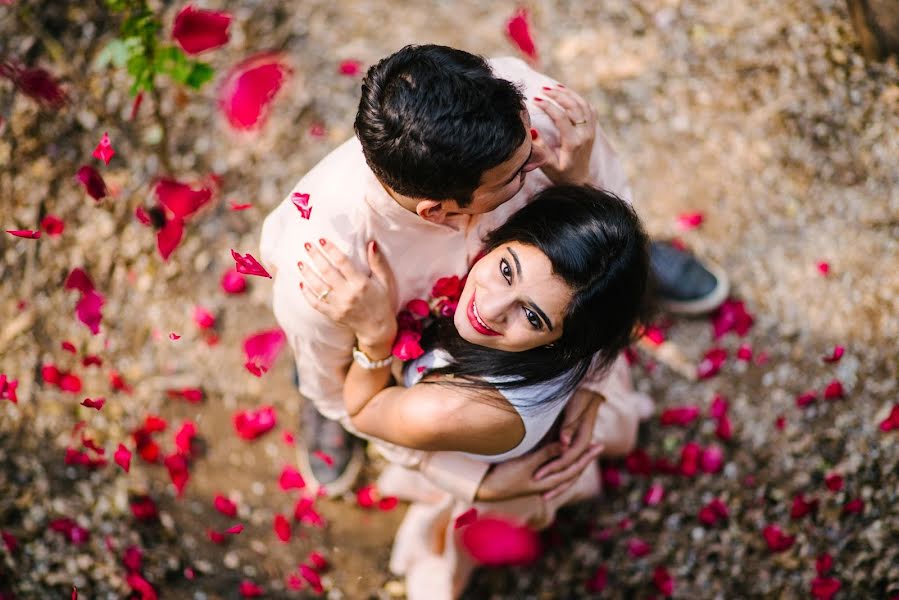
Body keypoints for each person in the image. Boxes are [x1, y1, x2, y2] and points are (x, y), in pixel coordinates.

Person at [259, 45, 722, 503]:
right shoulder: (324, 273)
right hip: (397, 378)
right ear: (441, 212)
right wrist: (458, 475)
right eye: (518, 175)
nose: (540, 159)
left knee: (607, 256)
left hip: (555, 324)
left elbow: (612, 203)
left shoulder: (535, 118)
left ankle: (623, 272)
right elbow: (346, 400)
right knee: (331, 376)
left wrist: (580, 189)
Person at [297, 185, 650, 598]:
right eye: (506, 271)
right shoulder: (584, 309)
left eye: (532, 316)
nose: (491, 308)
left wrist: (375, 336)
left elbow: (362, 409)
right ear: (502, 238)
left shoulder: (450, 409)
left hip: (471, 432)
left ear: (564, 342)